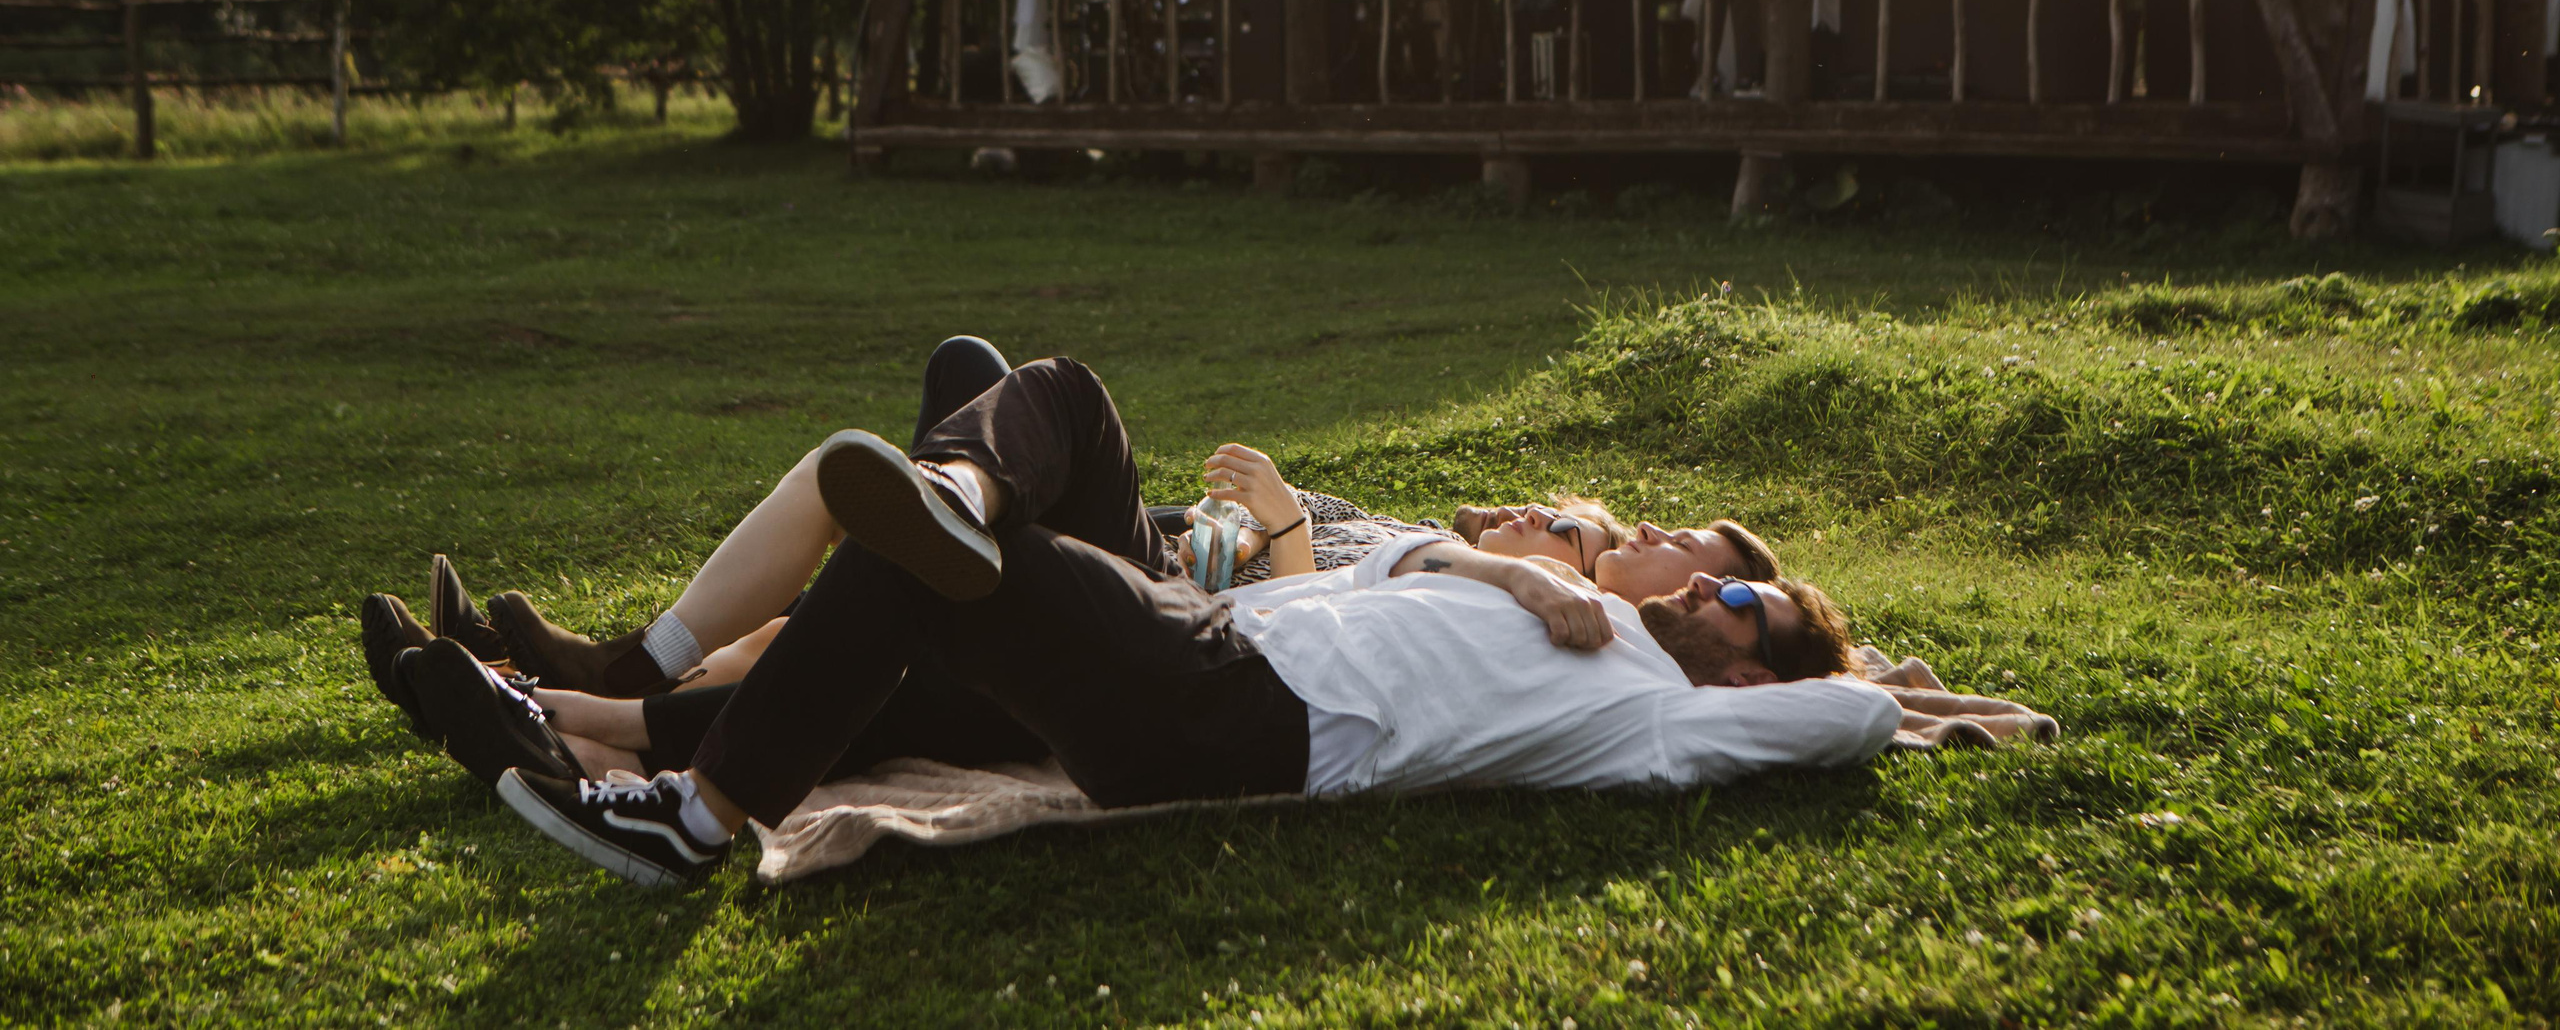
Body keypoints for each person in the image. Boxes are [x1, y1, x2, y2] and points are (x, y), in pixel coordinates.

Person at [482, 362, 1889, 887]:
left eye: (1739, 596)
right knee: (1047, 414)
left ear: (1759, 663)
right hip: (1216, 640)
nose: (1700, 585)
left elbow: (1855, 710)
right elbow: (1378, 569)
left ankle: (692, 810)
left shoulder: (1660, 712)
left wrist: (1879, 666)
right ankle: (955, 479)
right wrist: (1516, 572)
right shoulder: (1567, 604)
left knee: (948, 572)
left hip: (1242, 713)